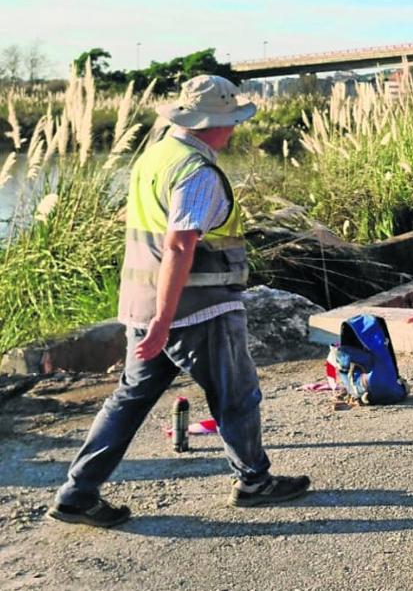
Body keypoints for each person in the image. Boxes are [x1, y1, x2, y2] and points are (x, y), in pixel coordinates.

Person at [49, 75, 310, 528]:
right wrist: (165, 321)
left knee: (129, 399)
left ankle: (76, 494)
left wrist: (154, 320)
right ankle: (253, 482)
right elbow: (178, 246)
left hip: (143, 304)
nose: (234, 131)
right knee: (236, 397)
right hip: (197, 309)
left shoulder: (154, 157)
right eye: (231, 122)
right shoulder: (198, 172)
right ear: (213, 124)